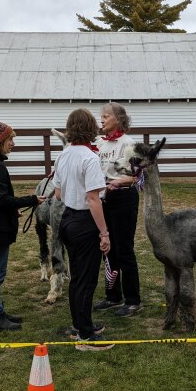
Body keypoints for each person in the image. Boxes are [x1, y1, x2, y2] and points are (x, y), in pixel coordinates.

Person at [0, 120, 46, 331]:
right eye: (10, 139)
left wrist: (11, 210)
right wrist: (32, 199)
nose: (13, 143)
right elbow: (1, 200)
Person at [53, 108, 114, 351]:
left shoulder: (63, 155)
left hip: (67, 219)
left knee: (77, 278)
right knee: (86, 280)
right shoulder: (89, 158)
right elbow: (93, 199)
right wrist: (104, 233)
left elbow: (58, 194)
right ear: (90, 129)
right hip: (84, 222)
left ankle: (79, 325)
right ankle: (86, 336)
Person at [93, 102, 142, 317]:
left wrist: (117, 182)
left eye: (106, 116)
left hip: (123, 198)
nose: (102, 119)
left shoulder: (129, 143)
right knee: (107, 248)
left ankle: (133, 300)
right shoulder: (99, 143)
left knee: (124, 249)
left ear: (119, 119)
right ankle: (113, 295)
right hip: (104, 199)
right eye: (101, 116)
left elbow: (136, 176)